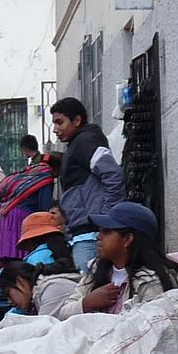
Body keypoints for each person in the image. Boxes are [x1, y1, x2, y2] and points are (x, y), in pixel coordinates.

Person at [59, 201, 178, 316]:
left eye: (107, 231)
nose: (98, 236)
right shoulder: (97, 269)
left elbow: (153, 329)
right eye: (100, 230)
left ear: (127, 239)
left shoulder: (151, 281)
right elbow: (63, 313)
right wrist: (86, 303)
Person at [51, 96, 124, 272]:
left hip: (90, 234)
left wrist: (106, 219)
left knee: (90, 288)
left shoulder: (85, 141)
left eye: (60, 122)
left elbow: (114, 175)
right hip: (85, 232)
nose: (55, 129)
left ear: (77, 120)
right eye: (54, 123)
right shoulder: (78, 143)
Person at [0, 147, 59, 261]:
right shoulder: (46, 177)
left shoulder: (29, 173)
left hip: (6, 218)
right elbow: (44, 209)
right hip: (21, 219)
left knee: (7, 260)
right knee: (22, 259)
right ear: (56, 168)